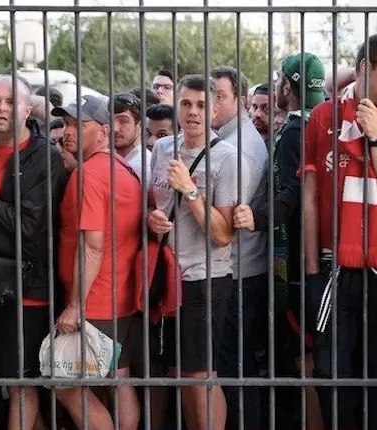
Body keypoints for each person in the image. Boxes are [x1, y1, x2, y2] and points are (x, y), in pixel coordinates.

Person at [303, 33, 377, 430]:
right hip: (332, 267)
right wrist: (311, 273)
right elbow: (308, 199)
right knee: (331, 374)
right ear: (363, 67)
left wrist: (375, 137)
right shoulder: (322, 117)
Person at [0, 76, 66, 430]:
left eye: (10, 101)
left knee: (21, 382)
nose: (1, 108)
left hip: (26, 286)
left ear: (26, 108)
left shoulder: (44, 157)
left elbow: (27, 226)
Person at [232, 51, 329, 430]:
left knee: (305, 360)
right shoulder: (322, 124)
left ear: (288, 86)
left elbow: (293, 192)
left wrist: (258, 217)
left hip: (298, 266)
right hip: (317, 256)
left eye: (278, 81)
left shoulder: (293, 132)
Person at [148, 74, 239, 430]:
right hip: (167, 275)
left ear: (215, 109)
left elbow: (223, 234)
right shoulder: (162, 148)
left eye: (202, 105)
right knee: (179, 373)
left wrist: (190, 190)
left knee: (201, 374)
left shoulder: (226, 158)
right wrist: (151, 219)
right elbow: (151, 204)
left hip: (206, 278)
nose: (193, 112)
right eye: (186, 104)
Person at [53, 94, 143, 430]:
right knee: (119, 382)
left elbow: (93, 245)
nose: (68, 132)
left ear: (103, 131)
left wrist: (75, 306)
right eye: (67, 124)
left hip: (96, 302)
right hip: (122, 296)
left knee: (68, 387)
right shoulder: (123, 169)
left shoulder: (89, 175)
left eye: (79, 124)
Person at [209, 65, 268, 430]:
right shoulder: (230, 139)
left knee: (234, 367)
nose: (211, 103)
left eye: (219, 95)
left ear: (241, 101)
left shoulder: (239, 148)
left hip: (238, 271)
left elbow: (228, 221)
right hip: (237, 269)